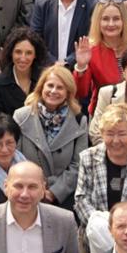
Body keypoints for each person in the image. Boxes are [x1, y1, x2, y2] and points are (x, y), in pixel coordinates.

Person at [72, 103, 127, 242]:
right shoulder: (88, 157)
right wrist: (104, 228)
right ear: (102, 134)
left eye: (122, 134)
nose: (116, 140)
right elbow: (81, 199)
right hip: (97, 239)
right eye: (110, 134)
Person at [14, 65, 89, 205]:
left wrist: (54, 192)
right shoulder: (21, 116)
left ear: (68, 92)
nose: (54, 91)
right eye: (50, 86)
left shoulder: (80, 121)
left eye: (60, 88)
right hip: (26, 194)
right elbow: (16, 157)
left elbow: (78, 165)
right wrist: (34, 188)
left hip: (63, 198)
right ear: (41, 87)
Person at [72, 0, 127, 109]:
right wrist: (81, 66)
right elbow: (81, 92)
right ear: (97, 22)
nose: (111, 24)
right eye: (105, 19)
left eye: (116, 19)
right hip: (105, 112)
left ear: (124, 20)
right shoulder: (91, 49)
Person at [29, 0, 97, 68]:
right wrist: (53, 63)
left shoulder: (93, 5)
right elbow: (35, 39)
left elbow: (93, 39)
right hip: (47, 71)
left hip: (79, 70)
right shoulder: (42, 3)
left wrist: (68, 63)